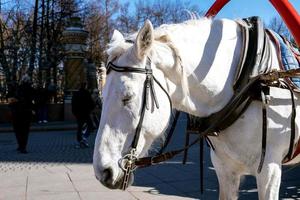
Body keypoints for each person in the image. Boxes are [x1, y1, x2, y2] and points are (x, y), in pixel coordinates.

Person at [8, 75, 35, 154]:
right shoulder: (31, 89)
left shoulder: (18, 88)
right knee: (25, 131)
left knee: (18, 130)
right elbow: (33, 101)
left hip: (17, 112)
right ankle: (23, 147)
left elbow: (11, 100)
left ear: (22, 80)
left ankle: (20, 146)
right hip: (27, 112)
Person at [72, 82, 95, 148]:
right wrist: (90, 109)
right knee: (90, 125)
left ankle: (80, 140)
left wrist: (74, 113)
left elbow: (73, 104)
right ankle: (84, 137)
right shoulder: (87, 93)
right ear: (85, 86)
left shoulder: (76, 94)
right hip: (86, 113)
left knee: (80, 127)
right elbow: (91, 103)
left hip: (78, 114)